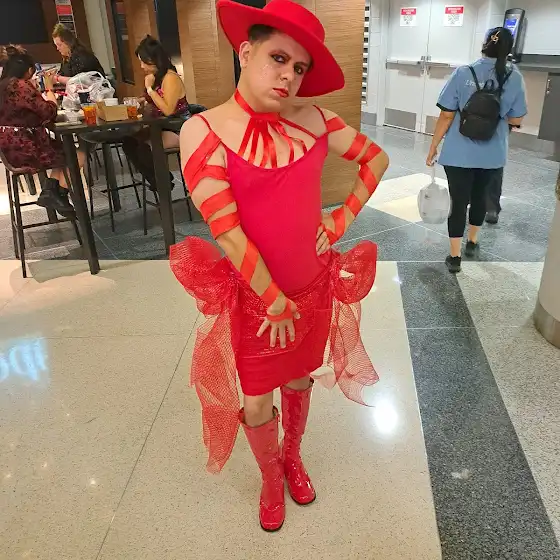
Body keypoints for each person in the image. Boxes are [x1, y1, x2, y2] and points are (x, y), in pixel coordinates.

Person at [170, 0, 389, 532]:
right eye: (278, 58)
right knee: (256, 395)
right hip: (257, 298)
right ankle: (270, 476)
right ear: (246, 52)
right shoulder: (204, 130)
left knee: (299, 376)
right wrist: (272, 299)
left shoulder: (317, 121)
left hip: (313, 286)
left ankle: (293, 456)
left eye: (299, 67)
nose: (289, 75)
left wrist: (340, 219)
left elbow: (376, 158)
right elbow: (227, 231)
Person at [426, 27, 527, 273]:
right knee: (481, 197)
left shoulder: (463, 73)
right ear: (509, 49)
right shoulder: (515, 77)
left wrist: (433, 145)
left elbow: (446, 115)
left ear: (484, 45)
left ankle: (454, 257)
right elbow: (516, 119)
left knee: (458, 201)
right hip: (492, 154)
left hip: (458, 153)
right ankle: (472, 241)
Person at [0, 45, 85, 215]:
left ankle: (52, 193)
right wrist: (49, 90)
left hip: (10, 148)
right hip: (26, 147)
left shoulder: (4, 85)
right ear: (29, 70)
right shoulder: (21, 86)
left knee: (63, 152)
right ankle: (57, 194)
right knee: (78, 154)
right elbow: (49, 112)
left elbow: (25, 114)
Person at [121, 35, 190, 191]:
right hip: (160, 126)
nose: (141, 66)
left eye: (143, 62)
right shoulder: (156, 77)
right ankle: (161, 181)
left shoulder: (170, 77)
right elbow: (150, 101)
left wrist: (150, 90)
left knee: (144, 148)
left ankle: (163, 185)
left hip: (178, 127)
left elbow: (168, 110)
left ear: (153, 60)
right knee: (128, 142)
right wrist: (140, 100)